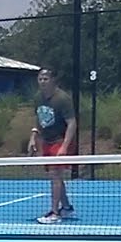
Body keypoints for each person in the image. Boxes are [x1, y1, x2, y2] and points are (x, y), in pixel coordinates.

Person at [29, 67, 78, 224]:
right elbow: (39, 118)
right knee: (55, 176)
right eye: (40, 79)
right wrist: (33, 136)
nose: (42, 82)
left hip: (60, 140)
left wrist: (64, 146)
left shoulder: (63, 99)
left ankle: (54, 213)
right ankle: (67, 207)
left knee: (55, 175)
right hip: (47, 141)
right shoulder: (38, 97)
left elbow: (72, 123)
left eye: (46, 79)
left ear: (53, 80)